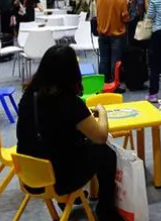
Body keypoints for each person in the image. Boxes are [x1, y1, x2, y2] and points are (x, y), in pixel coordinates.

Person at [16, 45, 124, 221]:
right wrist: (102, 112)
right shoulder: (70, 103)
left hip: (29, 175)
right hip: (58, 179)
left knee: (73, 145)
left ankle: (69, 200)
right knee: (106, 153)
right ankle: (106, 210)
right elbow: (101, 136)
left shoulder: (28, 96)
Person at [96, 0, 130, 80]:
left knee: (103, 59)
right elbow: (125, 18)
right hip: (116, 34)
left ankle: (103, 82)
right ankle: (114, 82)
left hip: (102, 32)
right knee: (115, 61)